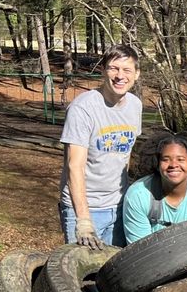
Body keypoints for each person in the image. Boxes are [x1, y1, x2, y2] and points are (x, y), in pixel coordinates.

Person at [58, 44, 143, 248]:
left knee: (116, 274)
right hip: (86, 209)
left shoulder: (135, 105)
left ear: (136, 74)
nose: (120, 76)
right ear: (103, 70)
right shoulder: (82, 108)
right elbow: (74, 166)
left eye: (127, 70)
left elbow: (127, 155)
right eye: (114, 68)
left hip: (120, 206)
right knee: (84, 275)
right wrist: (84, 220)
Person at [122, 131, 187, 244]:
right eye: (165, 159)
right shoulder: (138, 195)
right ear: (157, 163)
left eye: (180, 159)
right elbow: (139, 252)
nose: (173, 165)